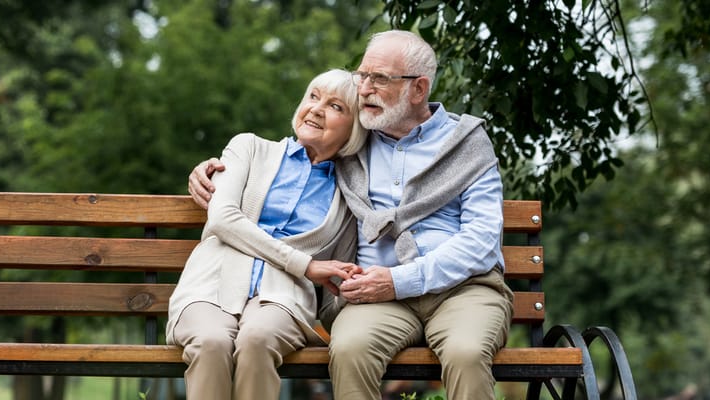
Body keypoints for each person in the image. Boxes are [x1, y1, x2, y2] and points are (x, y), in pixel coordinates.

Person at [186, 30, 514, 399]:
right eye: (362, 75)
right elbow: (300, 150)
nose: (365, 88)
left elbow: (483, 240)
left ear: (419, 89)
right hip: (377, 298)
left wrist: (399, 279)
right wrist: (213, 169)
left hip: (462, 289)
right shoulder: (355, 144)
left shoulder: (466, 143)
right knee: (348, 349)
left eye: (380, 79)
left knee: (466, 353)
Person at [166, 68, 368, 400]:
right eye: (313, 97)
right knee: (212, 341)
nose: (317, 108)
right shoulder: (248, 148)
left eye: (336, 106)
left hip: (283, 299)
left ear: (354, 129)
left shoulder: (348, 194)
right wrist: (306, 266)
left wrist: (359, 320)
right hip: (210, 284)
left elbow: (336, 290)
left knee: (257, 339)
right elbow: (222, 217)